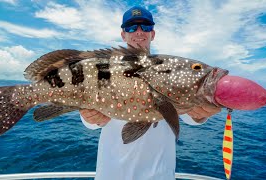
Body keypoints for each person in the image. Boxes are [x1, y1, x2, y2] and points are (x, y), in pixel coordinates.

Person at [80, 6, 221, 180]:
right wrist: (90, 118)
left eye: (145, 26)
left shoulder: (172, 71)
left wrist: (201, 115)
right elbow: (89, 120)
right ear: (123, 34)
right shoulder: (104, 69)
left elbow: (191, 117)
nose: (139, 31)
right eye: (131, 27)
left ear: (152, 34)